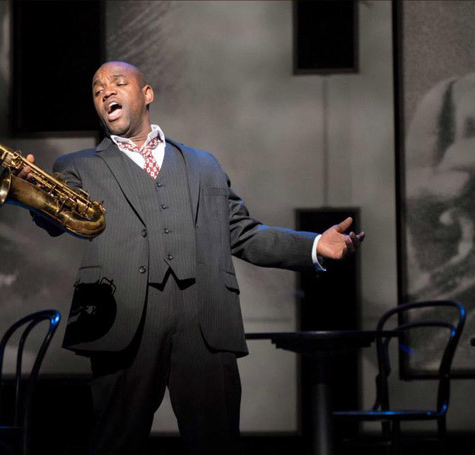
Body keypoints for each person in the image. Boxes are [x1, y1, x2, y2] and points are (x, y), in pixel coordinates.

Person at [23, 61, 364, 455]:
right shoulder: (77, 166)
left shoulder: (204, 165)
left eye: (118, 83)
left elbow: (242, 232)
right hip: (122, 321)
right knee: (114, 442)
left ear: (147, 94)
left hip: (204, 321)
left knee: (216, 443)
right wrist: (36, 196)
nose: (105, 93)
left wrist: (313, 245)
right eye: (97, 89)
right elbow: (57, 218)